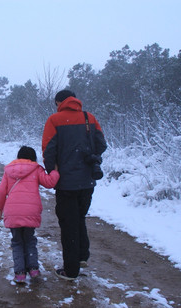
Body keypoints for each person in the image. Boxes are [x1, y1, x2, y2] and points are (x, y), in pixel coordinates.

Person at [41, 90, 107, 281]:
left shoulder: (54, 120)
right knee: (79, 218)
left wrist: (52, 172)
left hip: (66, 182)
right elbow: (101, 145)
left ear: (59, 102)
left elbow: (48, 150)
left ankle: (70, 271)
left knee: (68, 223)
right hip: (87, 180)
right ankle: (81, 257)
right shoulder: (89, 118)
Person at [0, 146, 60, 284]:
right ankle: (33, 269)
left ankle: (19, 273)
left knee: (17, 242)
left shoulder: (8, 170)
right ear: (33, 157)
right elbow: (49, 182)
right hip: (30, 211)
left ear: (18, 156)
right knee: (30, 240)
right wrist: (55, 170)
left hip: (13, 212)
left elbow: (0, 192)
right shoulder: (36, 169)